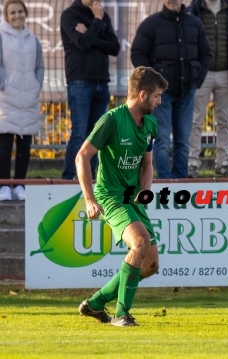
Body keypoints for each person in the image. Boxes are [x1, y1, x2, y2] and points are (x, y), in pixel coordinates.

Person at [76, 67, 168, 327]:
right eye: (157, 96)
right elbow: (82, 156)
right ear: (142, 95)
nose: (160, 101)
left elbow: (146, 165)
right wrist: (90, 199)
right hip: (110, 196)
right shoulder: (111, 121)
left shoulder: (150, 124)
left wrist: (145, 189)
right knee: (140, 243)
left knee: (149, 264)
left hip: (132, 198)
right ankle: (121, 314)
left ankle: (95, 304)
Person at [131, 0, 211, 179]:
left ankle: (181, 180)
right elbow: (137, 53)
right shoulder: (151, 24)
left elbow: (206, 53)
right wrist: (152, 83)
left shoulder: (194, 24)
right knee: (162, 139)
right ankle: (164, 180)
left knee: (183, 141)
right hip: (161, 96)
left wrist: (197, 81)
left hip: (187, 92)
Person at [186, 0, 228, 178]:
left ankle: (222, 162)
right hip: (201, 73)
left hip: (227, 72)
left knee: (224, 120)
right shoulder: (193, 10)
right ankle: (192, 163)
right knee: (195, 120)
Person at [60, 0, 120, 180]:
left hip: (101, 82)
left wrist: (93, 32)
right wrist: (96, 22)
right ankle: (70, 176)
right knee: (79, 132)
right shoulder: (70, 15)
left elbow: (115, 47)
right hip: (80, 81)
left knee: (96, 134)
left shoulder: (103, 17)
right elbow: (83, 43)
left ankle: (90, 177)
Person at [0, 0, 44, 201]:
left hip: (29, 99)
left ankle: (19, 184)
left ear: (25, 13)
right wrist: (3, 85)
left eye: (20, 11)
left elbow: (40, 66)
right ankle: (3, 187)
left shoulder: (33, 40)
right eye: (12, 13)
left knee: (25, 144)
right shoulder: (1, 36)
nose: (17, 15)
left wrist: (37, 85)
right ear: (6, 16)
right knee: (4, 144)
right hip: (6, 97)